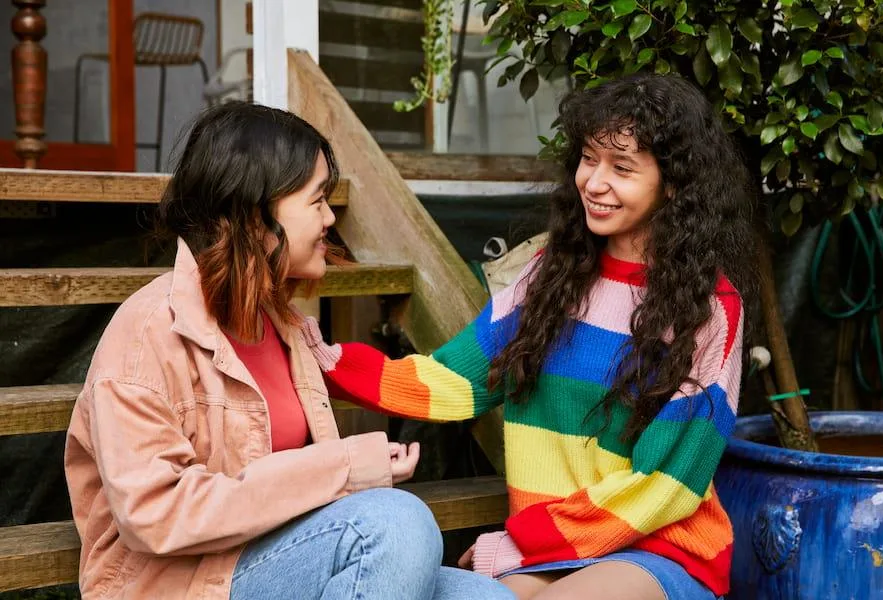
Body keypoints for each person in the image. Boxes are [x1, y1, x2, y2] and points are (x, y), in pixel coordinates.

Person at [300, 72, 758, 600]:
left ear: (673, 184)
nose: (595, 182)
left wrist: (521, 542)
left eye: (623, 168)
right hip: (557, 549)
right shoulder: (549, 275)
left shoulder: (709, 307)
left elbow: (666, 486)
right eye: (589, 159)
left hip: (660, 546)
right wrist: (327, 364)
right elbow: (456, 380)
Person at [64, 102, 515, 600]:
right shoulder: (148, 332)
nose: (329, 218)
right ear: (254, 213)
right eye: (317, 200)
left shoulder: (284, 325)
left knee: (485, 597)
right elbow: (155, 515)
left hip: (275, 557)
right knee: (395, 523)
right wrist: (343, 467)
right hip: (179, 583)